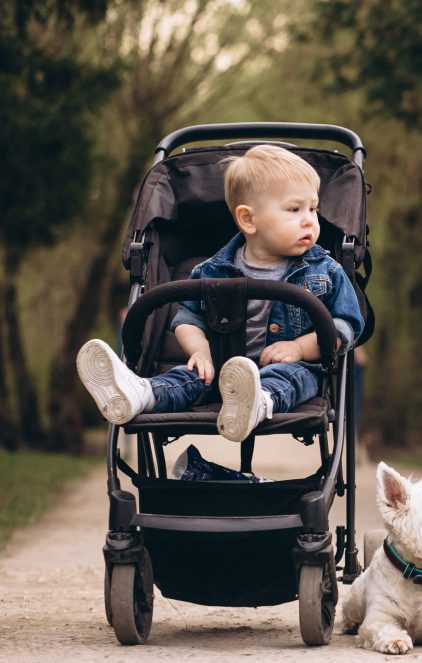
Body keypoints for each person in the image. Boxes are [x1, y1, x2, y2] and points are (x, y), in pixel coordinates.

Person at [77, 145, 364, 442]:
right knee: (187, 376)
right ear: (248, 219)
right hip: (221, 370)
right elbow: (187, 320)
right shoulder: (212, 271)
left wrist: (300, 348)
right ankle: (140, 394)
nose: (309, 220)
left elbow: (347, 325)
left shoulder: (325, 271)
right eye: (294, 209)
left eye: (313, 209)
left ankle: (258, 402)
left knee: (291, 378)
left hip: (292, 369)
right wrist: (200, 351)